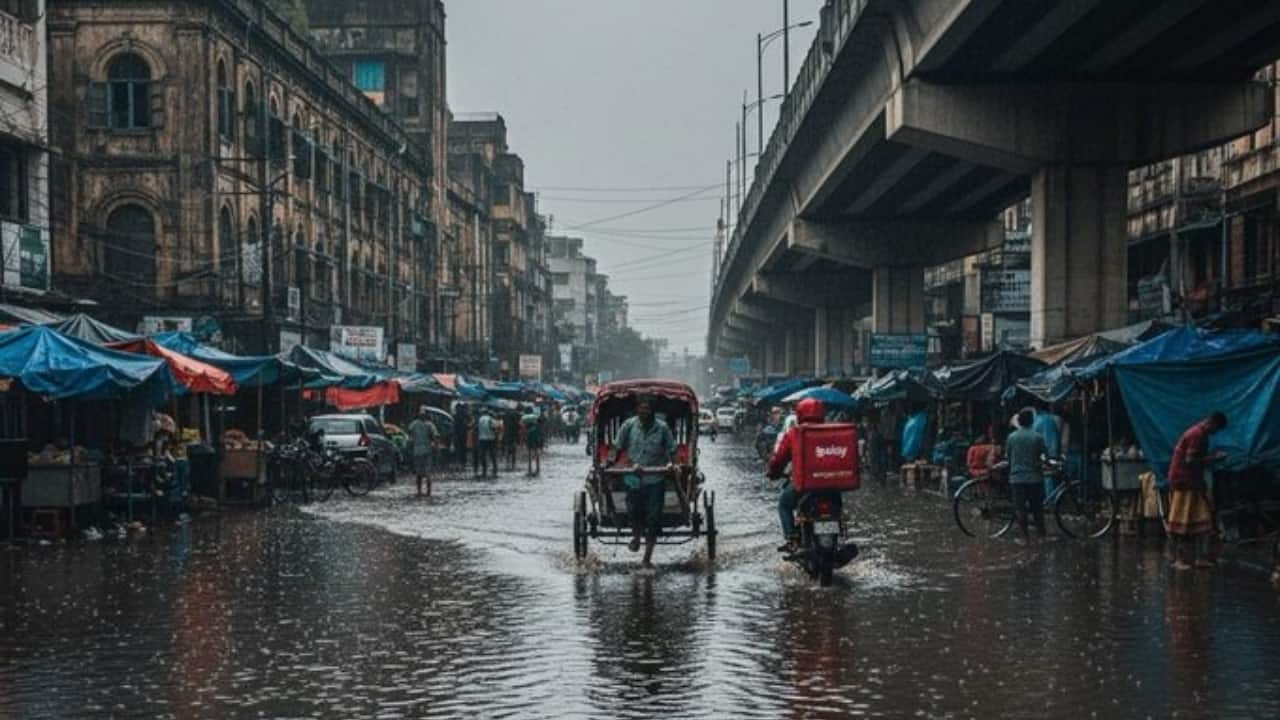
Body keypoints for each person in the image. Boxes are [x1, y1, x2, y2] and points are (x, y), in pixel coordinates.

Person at [608, 395, 676, 567]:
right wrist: (608, 463)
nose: (644, 411)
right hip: (633, 476)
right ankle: (637, 537)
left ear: (653, 411)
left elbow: (672, 450)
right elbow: (617, 447)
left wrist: (672, 465)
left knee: (653, 518)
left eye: (647, 408)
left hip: (656, 476)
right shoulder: (629, 426)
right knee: (633, 510)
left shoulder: (662, 428)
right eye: (641, 408)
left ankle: (647, 558)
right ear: (637, 410)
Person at [766, 397, 831, 552]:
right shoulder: (832, 432)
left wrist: (773, 472)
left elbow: (779, 459)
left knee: (784, 505)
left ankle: (792, 539)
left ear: (800, 414)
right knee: (837, 509)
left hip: (802, 485)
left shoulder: (793, 434)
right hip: (830, 484)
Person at [1167, 411, 1228, 571]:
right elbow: (1190, 461)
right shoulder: (1197, 435)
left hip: (1192, 481)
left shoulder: (1199, 433)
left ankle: (1200, 558)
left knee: (1201, 521)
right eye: (1217, 429)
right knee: (1184, 522)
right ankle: (1178, 559)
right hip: (1184, 481)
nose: (1216, 433)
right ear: (1212, 423)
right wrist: (1214, 458)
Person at [1005, 408, 1048, 539]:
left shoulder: (1011, 437)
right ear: (1031, 421)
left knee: (1020, 508)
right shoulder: (1037, 437)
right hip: (1035, 478)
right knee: (1037, 509)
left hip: (1017, 478)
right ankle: (1042, 535)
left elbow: (1008, 456)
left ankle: (1024, 537)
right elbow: (1045, 455)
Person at [407, 406, 438, 497]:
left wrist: (409, 448)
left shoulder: (413, 425)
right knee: (427, 472)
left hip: (417, 451)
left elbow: (409, 438)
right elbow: (435, 437)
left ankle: (419, 491)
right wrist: (435, 447)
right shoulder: (430, 425)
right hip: (427, 451)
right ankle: (428, 492)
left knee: (418, 473)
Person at [476, 409, 498, 478]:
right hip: (491, 439)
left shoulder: (480, 419)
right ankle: (495, 469)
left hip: (482, 439)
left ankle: (484, 469)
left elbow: (477, 428)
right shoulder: (491, 419)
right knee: (492, 455)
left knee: (482, 454)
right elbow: (494, 428)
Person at [522, 407, 544, 476]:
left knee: (529, 452)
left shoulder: (523, 417)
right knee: (536, 451)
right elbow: (541, 423)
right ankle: (538, 468)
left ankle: (529, 469)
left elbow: (521, 425)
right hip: (536, 435)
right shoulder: (535, 416)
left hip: (528, 435)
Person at [452, 404, 470, 470]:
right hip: (462, 435)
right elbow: (467, 425)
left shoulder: (456, 416)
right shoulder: (464, 415)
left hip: (459, 435)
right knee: (462, 450)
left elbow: (454, 426)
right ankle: (461, 463)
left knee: (459, 450)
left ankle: (460, 463)